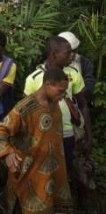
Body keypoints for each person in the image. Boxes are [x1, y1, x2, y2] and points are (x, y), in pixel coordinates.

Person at [0, 68, 72, 214]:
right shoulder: (24, 108)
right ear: (47, 85)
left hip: (49, 168)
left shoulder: (54, 104)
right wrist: (8, 152)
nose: (64, 94)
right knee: (21, 209)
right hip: (27, 168)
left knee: (44, 210)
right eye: (61, 90)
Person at [23, 36, 91, 171]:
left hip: (67, 133)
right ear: (54, 54)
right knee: (43, 170)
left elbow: (83, 105)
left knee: (66, 170)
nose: (72, 56)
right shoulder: (34, 78)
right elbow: (26, 111)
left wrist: (88, 136)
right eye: (68, 53)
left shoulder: (74, 73)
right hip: (42, 134)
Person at [58, 31, 96, 104]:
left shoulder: (84, 62)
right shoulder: (53, 63)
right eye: (68, 51)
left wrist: (83, 93)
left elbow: (89, 80)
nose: (72, 54)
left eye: (74, 51)